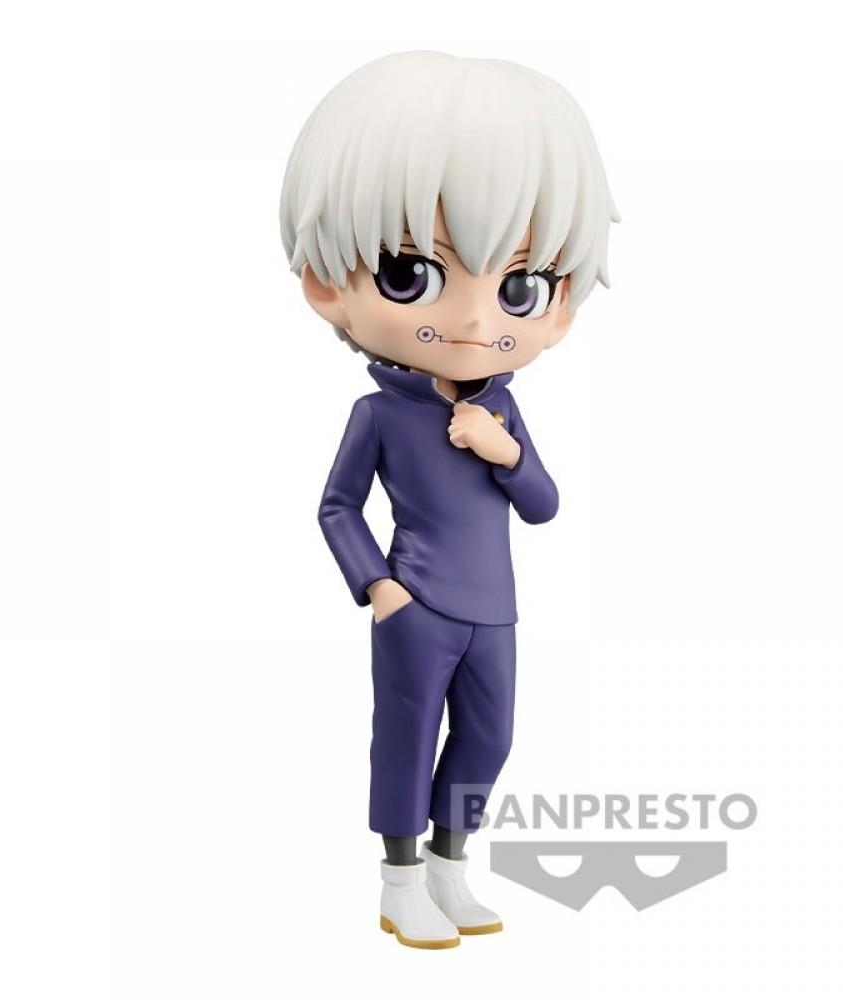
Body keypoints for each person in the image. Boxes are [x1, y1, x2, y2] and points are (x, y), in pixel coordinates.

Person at [280, 50, 619, 949]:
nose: (474, 320)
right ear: (327, 284)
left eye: (518, 286)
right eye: (412, 273)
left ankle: (449, 866)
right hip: (417, 605)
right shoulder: (380, 414)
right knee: (405, 735)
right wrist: (379, 587)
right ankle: (399, 882)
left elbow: (543, 505)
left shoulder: (502, 408)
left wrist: (507, 453)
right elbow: (337, 507)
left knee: (489, 738)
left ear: (557, 307)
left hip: (493, 609)